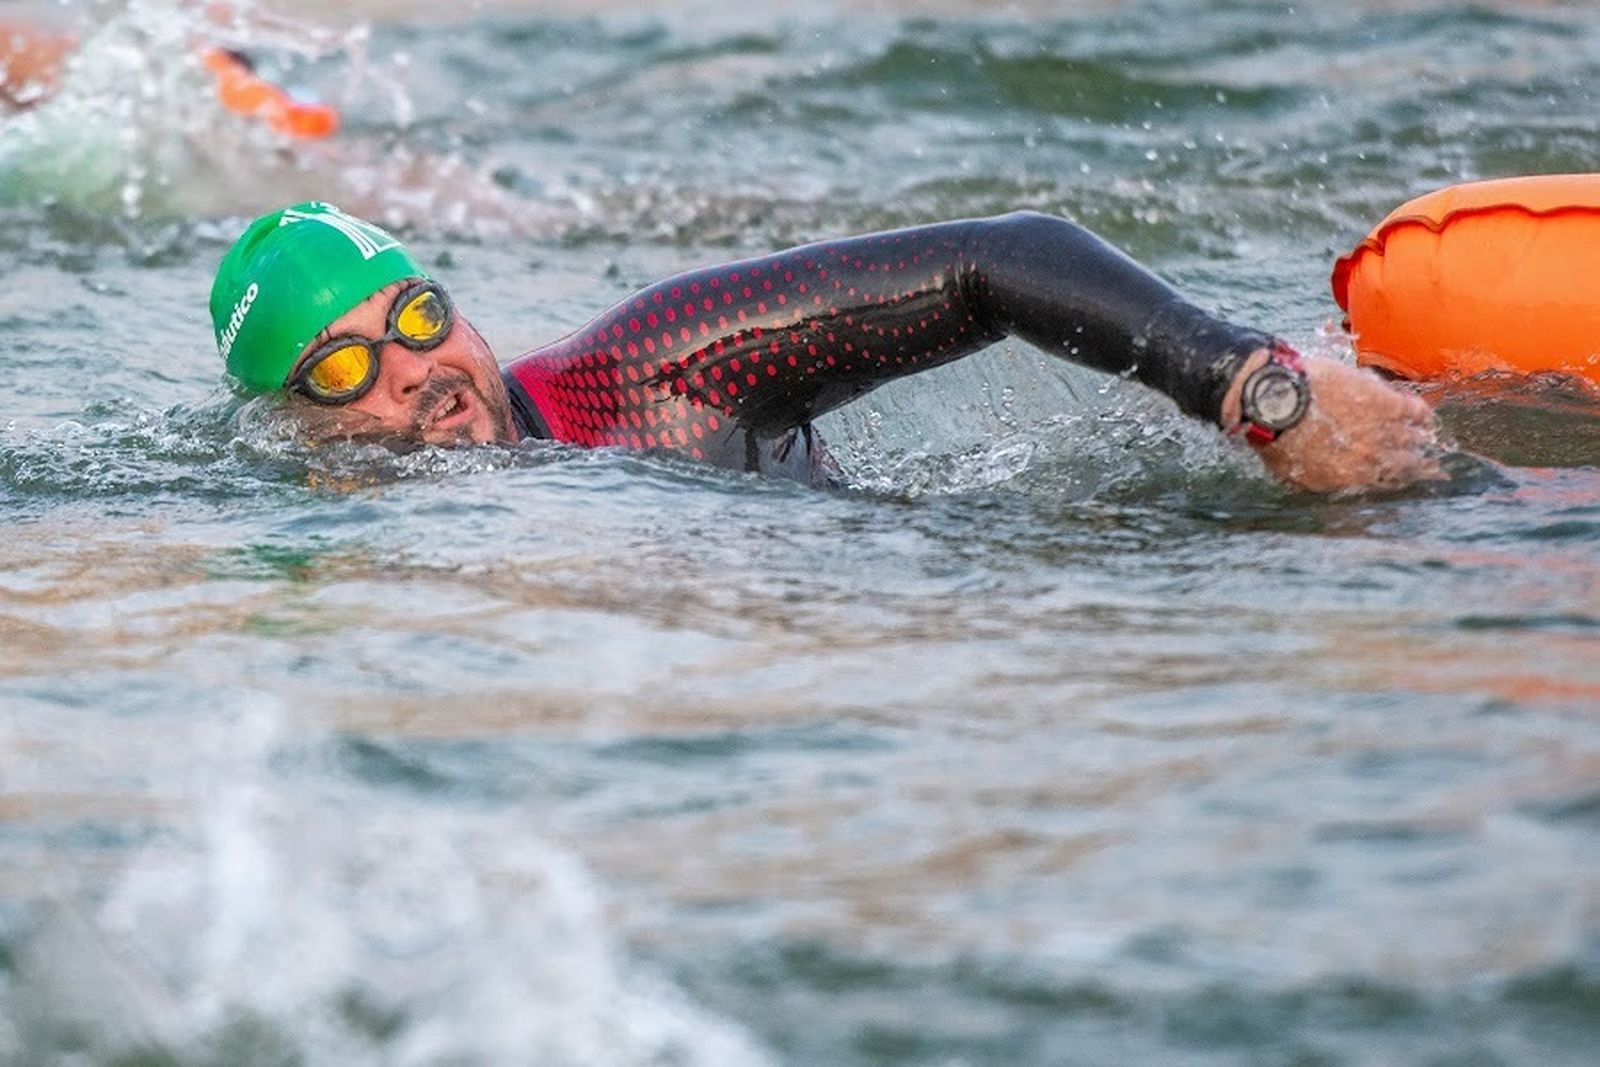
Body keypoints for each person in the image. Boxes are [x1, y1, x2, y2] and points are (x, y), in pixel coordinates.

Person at [210, 201, 1442, 493]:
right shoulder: (333, 555)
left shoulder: (649, 371)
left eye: (416, 317)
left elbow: (996, 258)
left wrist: (1252, 388)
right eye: (341, 367)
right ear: (293, 433)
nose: (414, 368)